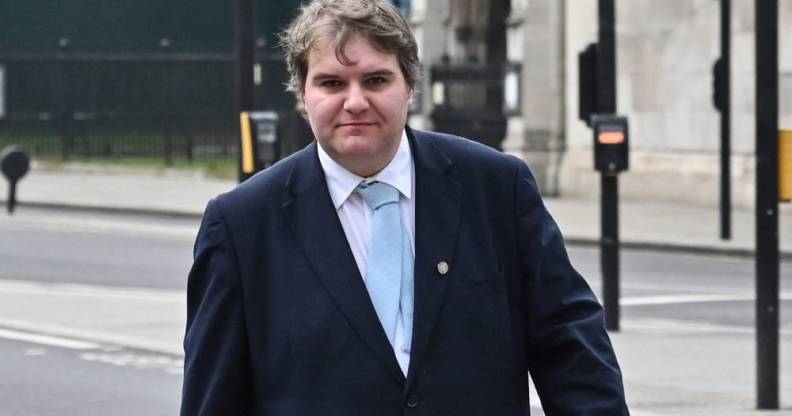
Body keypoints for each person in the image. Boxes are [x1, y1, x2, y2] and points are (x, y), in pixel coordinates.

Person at [181, 0, 630, 414]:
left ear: (410, 85)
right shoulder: (241, 226)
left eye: (376, 80)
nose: (355, 102)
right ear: (302, 92)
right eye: (332, 83)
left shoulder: (496, 188)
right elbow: (213, 398)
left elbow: (570, 347)